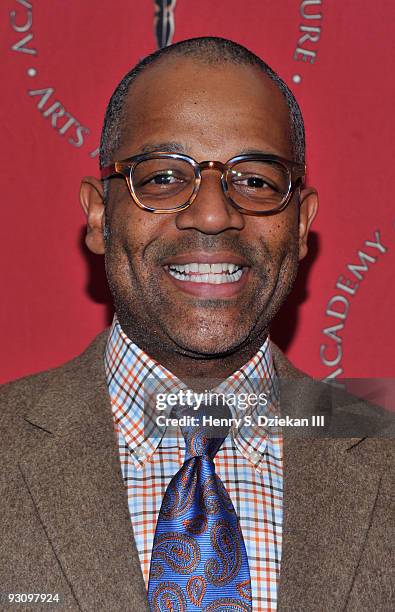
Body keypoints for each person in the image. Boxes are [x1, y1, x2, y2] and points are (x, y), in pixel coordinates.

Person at [0, 37, 393, 612]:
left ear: (303, 224)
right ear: (98, 215)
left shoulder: (382, 447)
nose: (212, 213)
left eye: (256, 180)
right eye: (163, 177)